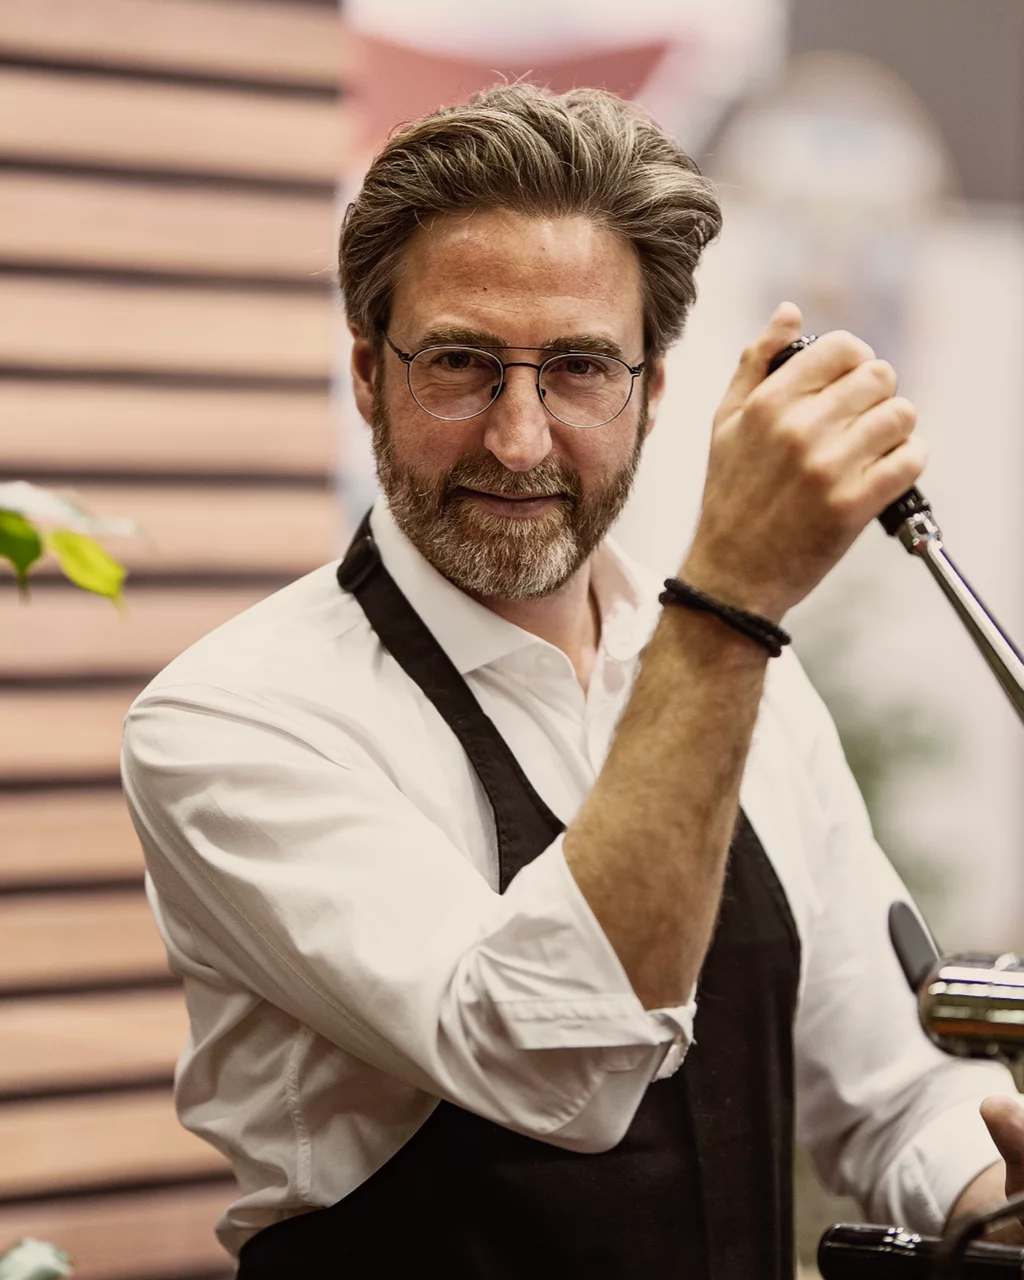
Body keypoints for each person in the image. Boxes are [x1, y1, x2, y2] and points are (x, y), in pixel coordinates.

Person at [121, 84, 1024, 1278]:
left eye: (581, 369)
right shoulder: (237, 718)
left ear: (653, 390)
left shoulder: (745, 674)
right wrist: (733, 599)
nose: (520, 437)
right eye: (459, 362)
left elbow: (888, 1093)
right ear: (364, 373)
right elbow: (551, 1063)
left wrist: (995, 1188)